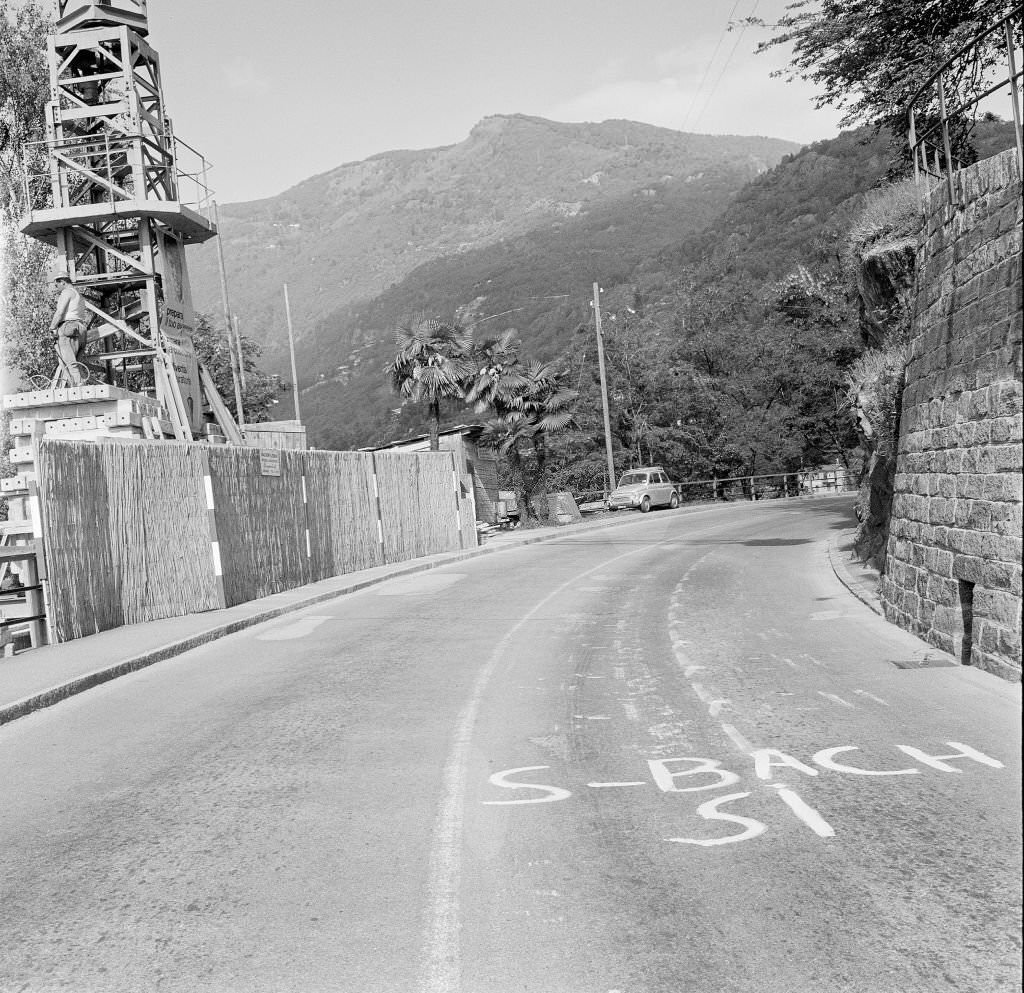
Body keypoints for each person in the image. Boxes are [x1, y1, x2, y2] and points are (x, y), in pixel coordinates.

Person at [49, 267, 89, 385]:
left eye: (57, 285)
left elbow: (60, 312)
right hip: (81, 328)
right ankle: (82, 386)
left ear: (63, 282)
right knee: (77, 364)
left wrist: (52, 327)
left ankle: (78, 389)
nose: (57, 288)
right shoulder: (78, 295)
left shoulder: (66, 292)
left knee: (69, 362)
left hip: (69, 327)